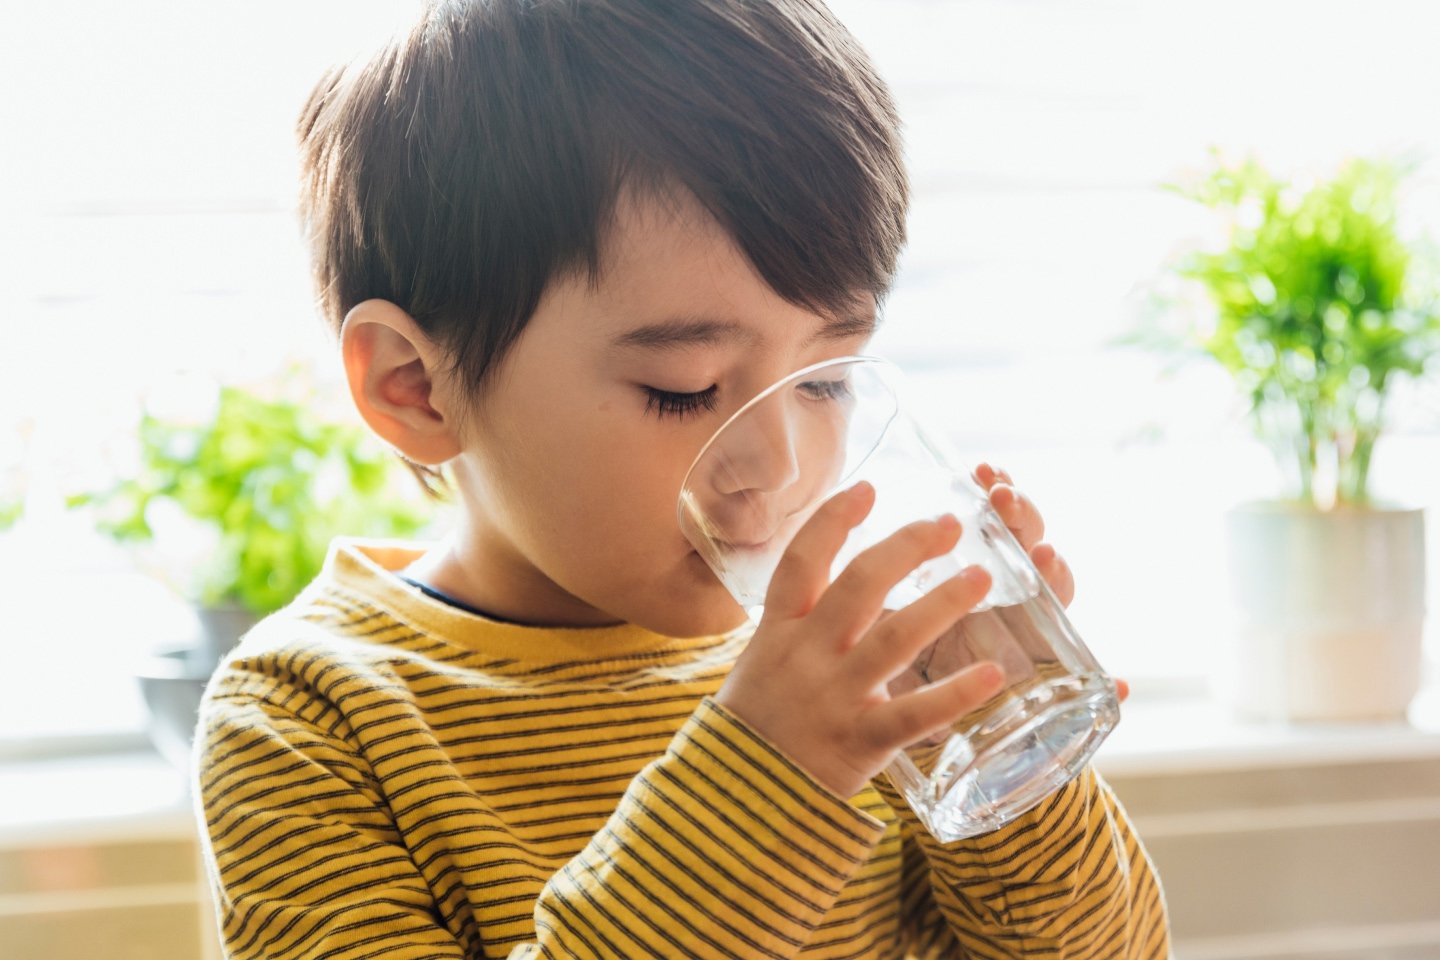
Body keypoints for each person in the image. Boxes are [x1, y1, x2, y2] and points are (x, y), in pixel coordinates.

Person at [193, 1, 1170, 957]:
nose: (783, 468)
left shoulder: (850, 656)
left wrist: (1008, 756)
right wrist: (765, 781)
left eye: (826, 378)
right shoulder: (307, 720)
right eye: (685, 389)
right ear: (417, 387)